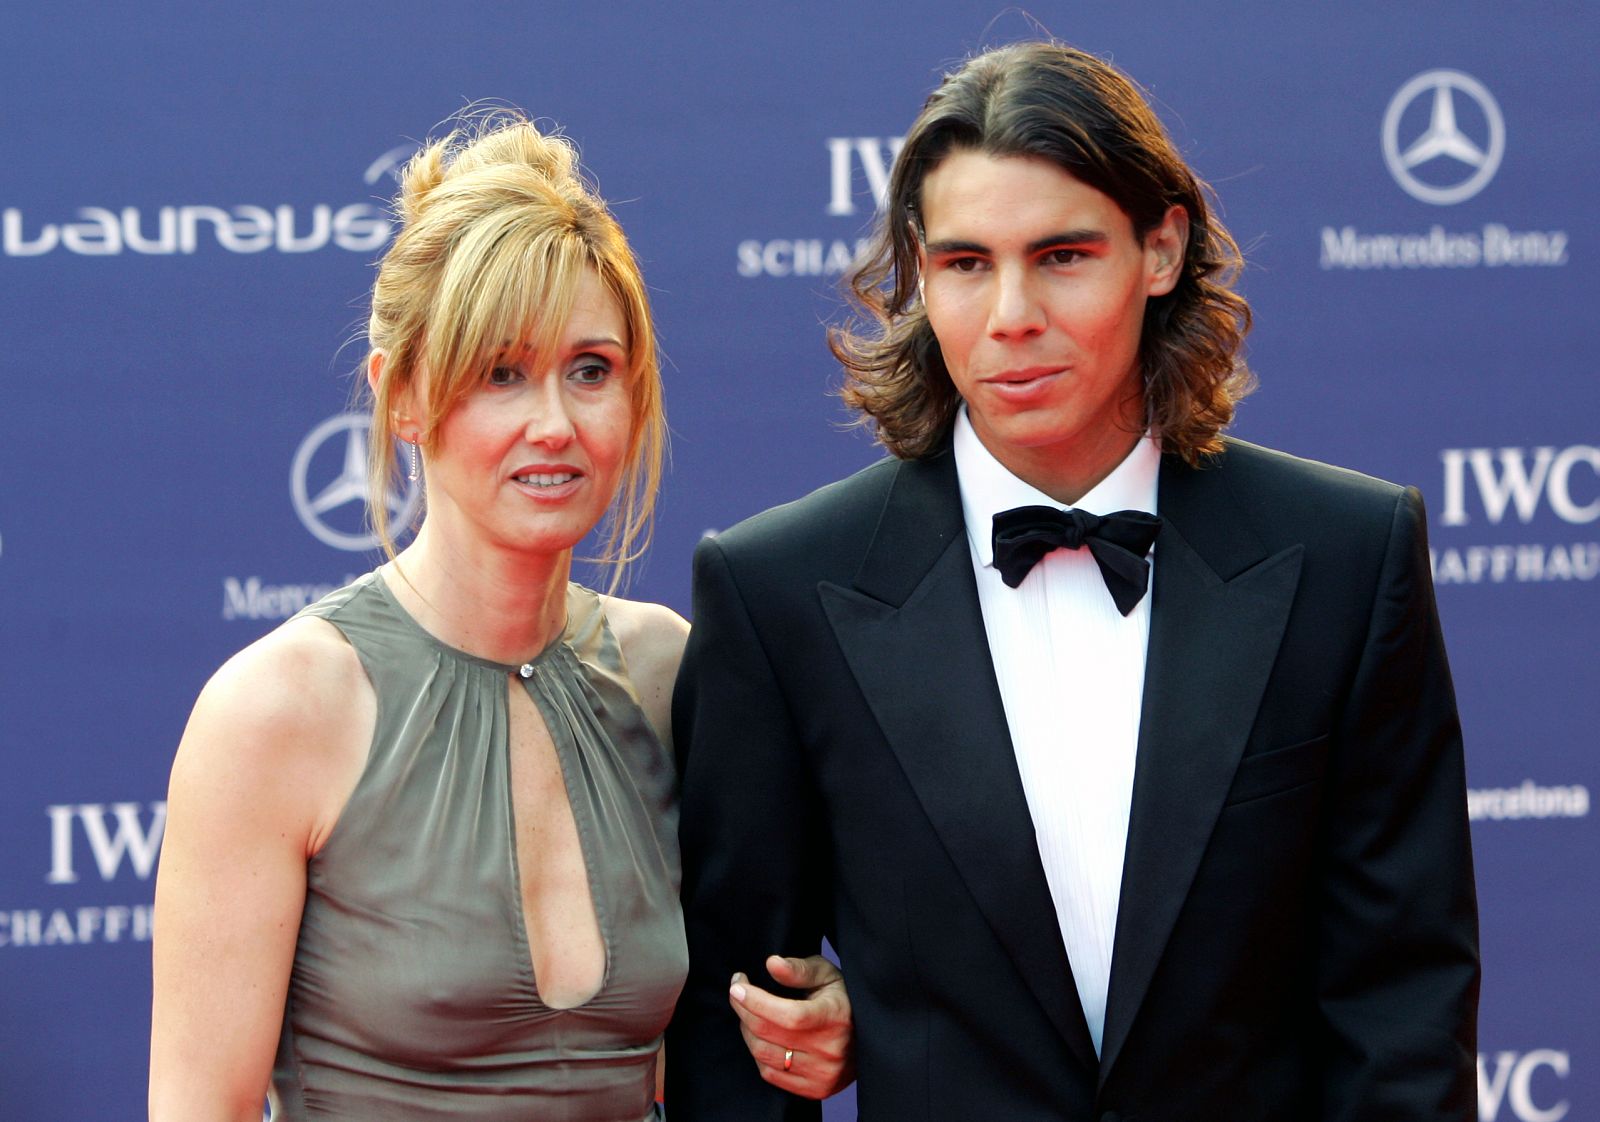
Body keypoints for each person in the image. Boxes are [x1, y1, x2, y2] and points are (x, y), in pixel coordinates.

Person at [668, 41, 1478, 1120]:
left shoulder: (1346, 556)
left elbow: (1403, 1006)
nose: (1009, 314)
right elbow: (742, 1037)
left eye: (1060, 255)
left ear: (1159, 248)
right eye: (964, 264)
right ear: (917, 269)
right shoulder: (780, 593)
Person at [149, 113, 852, 1121]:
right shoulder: (279, 712)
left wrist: (833, 1023)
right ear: (400, 394)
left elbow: (725, 1022)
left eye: (591, 370)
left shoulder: (670, 674)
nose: (555, 425)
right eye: (501, 373)